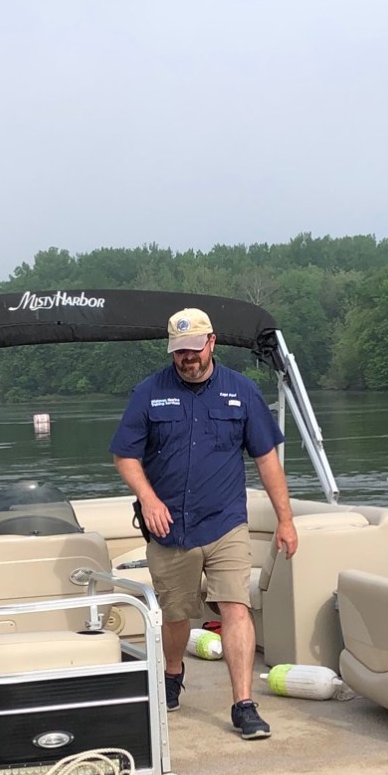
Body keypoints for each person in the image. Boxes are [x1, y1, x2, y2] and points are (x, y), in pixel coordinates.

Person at [110, 307, 298, 739]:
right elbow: (126, 456)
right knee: (177, 616)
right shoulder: (148, 391)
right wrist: (149, 498)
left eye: (194, 349)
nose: (187, 359)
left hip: (226, 521)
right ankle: (173, 673)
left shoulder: (242, 392)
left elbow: (267, 460)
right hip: (169, 528)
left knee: (236, 606)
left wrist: (285, 520)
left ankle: (244, 704)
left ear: (212, 343)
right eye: (179, 352)